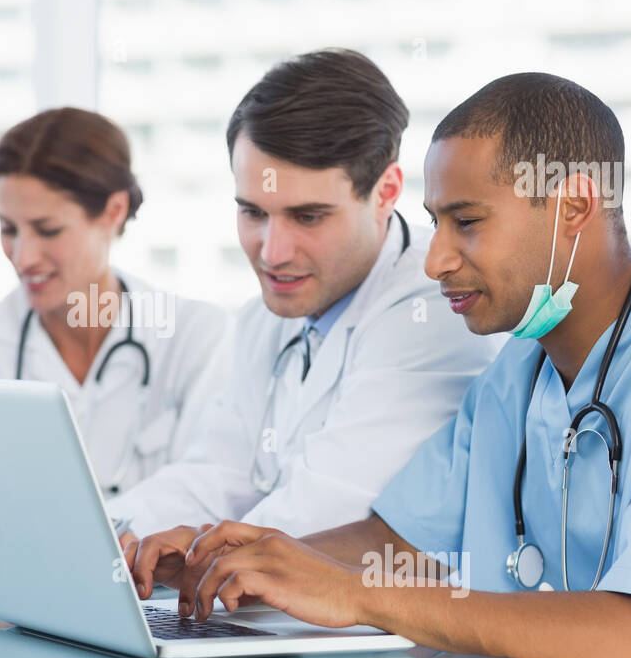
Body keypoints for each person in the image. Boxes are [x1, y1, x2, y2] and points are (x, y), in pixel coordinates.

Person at [129, 73, 631, 658]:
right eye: (435, 223)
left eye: (465, 222)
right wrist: (241, 558)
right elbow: (401, 541)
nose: (435, 259)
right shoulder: (517, 370)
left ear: (574, 207)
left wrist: (360, 594)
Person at [108, 49, 501, 542]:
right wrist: (100, 534)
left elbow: (330, 508)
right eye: (253, 212)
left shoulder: (435, 310)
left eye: (308, 217)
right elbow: (216, 478)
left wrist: (190, 554)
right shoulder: (265, 317)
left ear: (385, 193)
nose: (272, 253)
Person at [0, 108, 231, 504]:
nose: (23, 256)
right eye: (8, 229)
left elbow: (213, 497)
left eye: (48, 230)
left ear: (113, 212)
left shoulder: (195, 337)